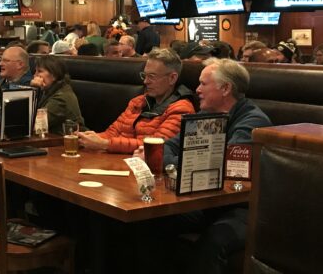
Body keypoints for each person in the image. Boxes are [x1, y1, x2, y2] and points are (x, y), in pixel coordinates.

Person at [161, 58, 271, 274]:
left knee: (213, 241)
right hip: (210, 203)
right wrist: (178, 164)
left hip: (245, 208)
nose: (197, 89)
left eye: (203, 83)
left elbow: (221, 170)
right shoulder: (206, 116)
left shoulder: (252, 122)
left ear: (226, 88)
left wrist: (173, 165)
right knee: (152, 222)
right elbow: (167, 148)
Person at [78, 48, 194, 154]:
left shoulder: (182, 110)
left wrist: (104, 144)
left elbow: (154, 146)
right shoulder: (138, 102)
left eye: (152, 76)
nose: (145, 82)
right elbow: (111, 133)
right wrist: (87, 138)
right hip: (118, 164)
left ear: (172, 78)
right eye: (144, 76)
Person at [30, 55, 85, 134]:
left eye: (39, 71)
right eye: (35, 71)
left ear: (54, 75)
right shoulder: (49, 91)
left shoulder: (61, 98)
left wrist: (33, 89)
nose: (35, 75)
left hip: (68, 142)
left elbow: (36, 125)